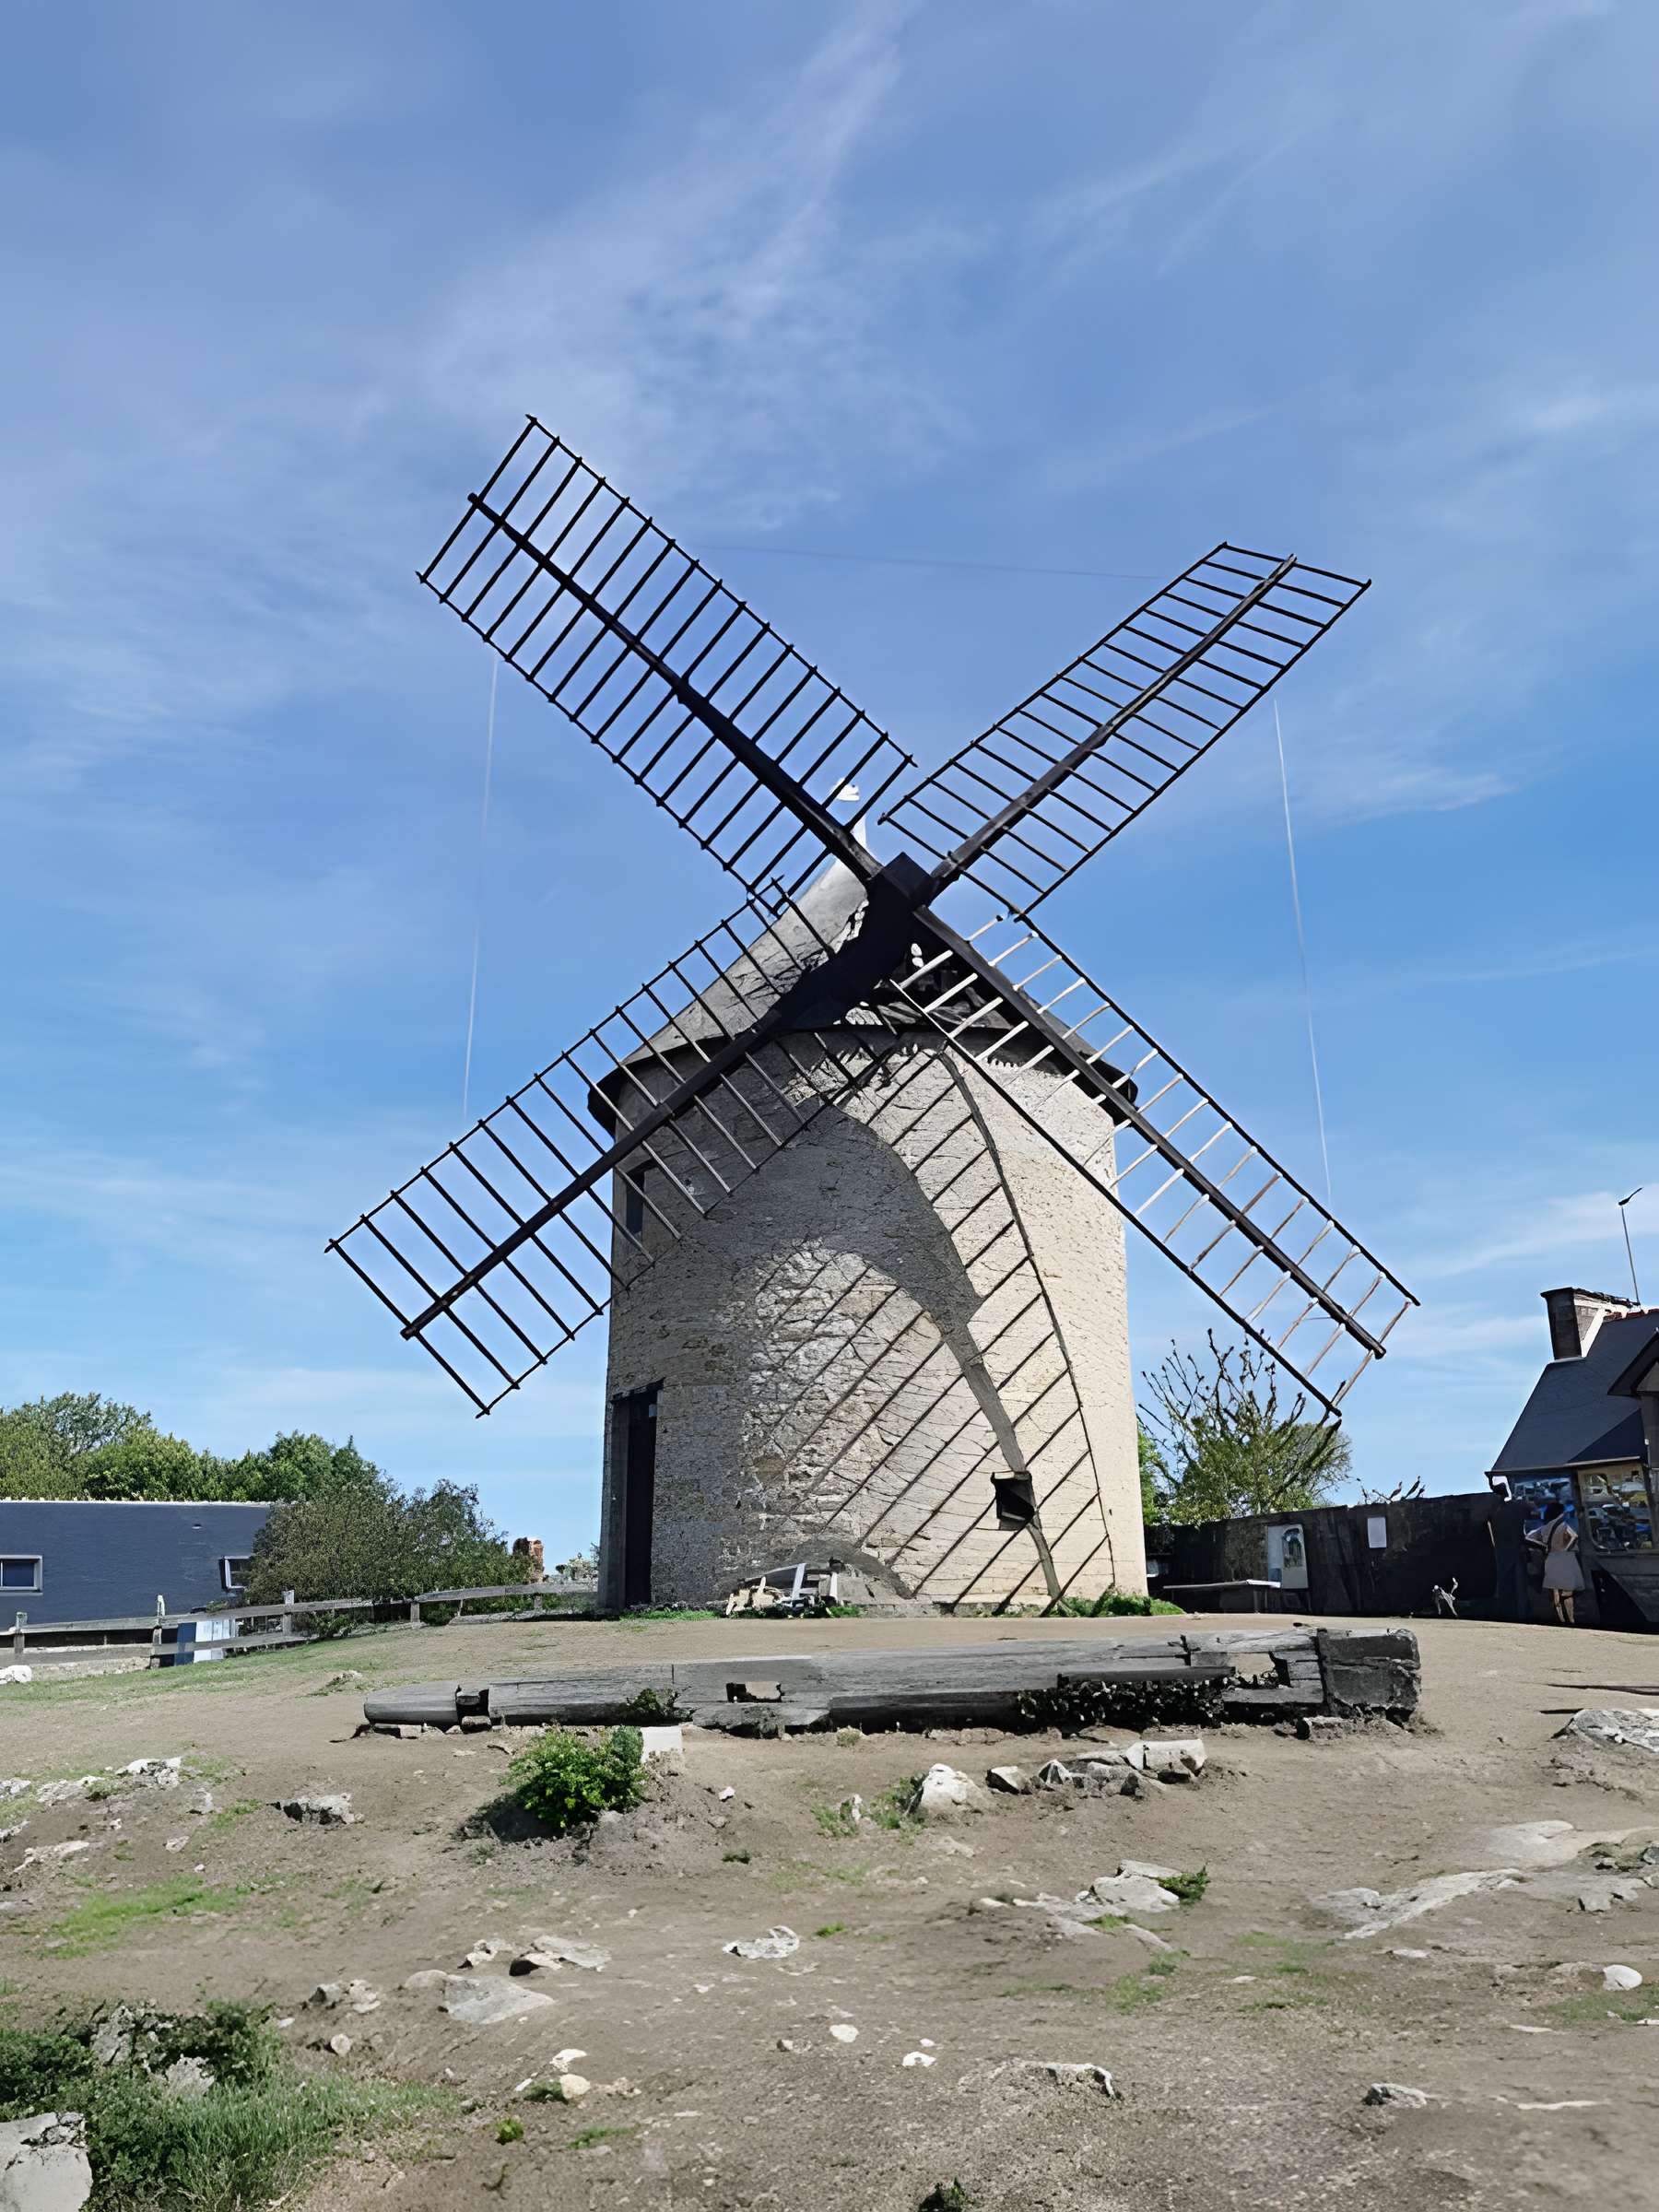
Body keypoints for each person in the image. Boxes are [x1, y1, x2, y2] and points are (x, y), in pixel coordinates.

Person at [1527, 1500, 1585, 1624]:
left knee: (1557, 1597)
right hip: (1566, 1562)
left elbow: (1528, 1539)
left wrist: (1544, 1548)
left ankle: (1562, 1621)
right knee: (1566, 1596)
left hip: (1554, 1562)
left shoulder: (1544, 1528)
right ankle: (1569, 1621)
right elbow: (1574, 1539)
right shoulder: (1564, 1526)